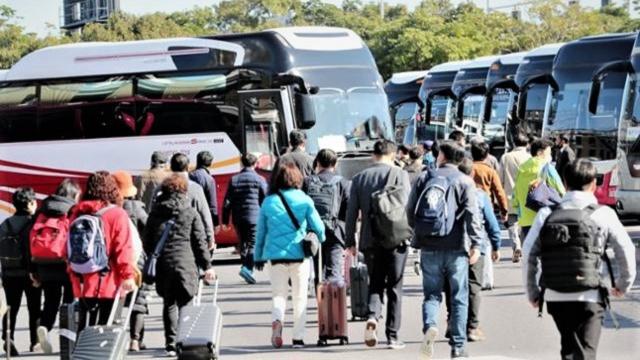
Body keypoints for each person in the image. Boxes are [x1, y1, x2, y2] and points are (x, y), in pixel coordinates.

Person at [522, 159, 636, 360]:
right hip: (590, 294)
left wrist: (533, 292)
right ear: (593, 184)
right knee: (586, 352)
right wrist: (622, 285)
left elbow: (529, 253)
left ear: (565, 184)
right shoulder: (604, 214)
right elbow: (625, 250)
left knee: (569, 347)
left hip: (555, 294)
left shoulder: (546, 214)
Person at [406, 140, 484, 360]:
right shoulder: (464, 181)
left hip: (429, 247)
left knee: (431, 294)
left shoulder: (425, 177)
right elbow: (472, 215)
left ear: (441, 155)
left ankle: (430, 325)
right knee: (459, 296)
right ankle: (458, 347)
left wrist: (420, 232)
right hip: (456, 247)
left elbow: (410, 211)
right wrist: (476, 244)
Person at [345, 140, 411, 350]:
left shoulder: (359, 178)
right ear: (392, 155)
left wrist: (350, 241)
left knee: (375, 283)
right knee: (394, 287)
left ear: (373, 155)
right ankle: (392, 336)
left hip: (369, 239)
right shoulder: (400, 175)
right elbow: (407, 207)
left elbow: (351, 213)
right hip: (396, 238)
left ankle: (373, 316)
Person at [254, 163, 325, 349]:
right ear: (297, 179)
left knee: (279, 295)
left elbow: (260, 232)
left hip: (275, 257)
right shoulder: (304, 200)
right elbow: (319, 227)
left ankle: (277, 320)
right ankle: (298, 339)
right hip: (299, 256)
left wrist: (258, 256)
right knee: (300, 297)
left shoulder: (269, 202)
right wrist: (321, 239)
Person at [144, 174, 216, 357]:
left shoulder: (154, 213)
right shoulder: (190, 212)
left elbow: (147, 242)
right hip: (186, 263)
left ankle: (170, 343)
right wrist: (207, 266)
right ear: (184, 191)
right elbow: (199, 242)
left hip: (164, 264)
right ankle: (185, 341)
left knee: (168, 304)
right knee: (186, 303)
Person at [67, 172, 137, 331]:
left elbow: (69, 246)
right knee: (106, 329)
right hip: (109, 280)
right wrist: (128, 275)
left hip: (82, 279)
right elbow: (123, 248)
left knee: (85, 327)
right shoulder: (117, 214)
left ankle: (81, 354)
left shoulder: (77, 212)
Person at [453, 158, 501, 342]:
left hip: (452, 244)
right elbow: (491, 223)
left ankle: (453, 323)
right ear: (472, 173)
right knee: (473, 286)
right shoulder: (480, 195)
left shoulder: (451, 191)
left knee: (454, 285)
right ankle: (472, 326)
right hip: (475, 245)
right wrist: (495, 245)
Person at [32, 179, 81, 354]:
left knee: (51, 301)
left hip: (44, 263)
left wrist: (34, 269)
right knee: (69, 302)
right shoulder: (73, 211)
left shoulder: (42, 210)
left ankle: (45, 326)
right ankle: (67, 338)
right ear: (74, 194)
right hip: (66, 263)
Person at [0, 187, 41, 355]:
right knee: (34, 307)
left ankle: (8, 337)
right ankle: (35, 342)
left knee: (12, 307)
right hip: (31, 273)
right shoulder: (34, 223)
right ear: (31, 203)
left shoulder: (5, 224)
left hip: (10, 272)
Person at [112, 171, 149, 353]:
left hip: (115, 259)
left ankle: (115, 337)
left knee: (117, 299)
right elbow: (148, 230)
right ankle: (136, 339)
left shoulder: (110, 209)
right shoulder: (136, 208)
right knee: (139, 300)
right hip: (136, 258)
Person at [303, 149, 351, 283]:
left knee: (318, 267)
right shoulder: (343, 183)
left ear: (317, 162)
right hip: (335, 231)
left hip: (312, 232)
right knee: (334, 269)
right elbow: (348, 210)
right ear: (335, 164)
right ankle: (333, 299)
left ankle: (321, 299)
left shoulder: (307, 182)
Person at [222, 153, 268, 284]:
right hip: (255, 217)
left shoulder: (234, 179)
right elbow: (265, 200)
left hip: (238, 217)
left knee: (242, 244)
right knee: (253, 243)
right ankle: (247, 268)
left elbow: (227, 202)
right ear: (255, 164)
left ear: (242, 164)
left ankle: (246, 268)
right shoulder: (260, 179)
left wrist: (225, 220)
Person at [513, 139, 565, 239]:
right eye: (549, 153)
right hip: (544, 219)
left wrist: (519, 213)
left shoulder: (522, 168)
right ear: (540, 152)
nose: (550, 156)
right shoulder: (547, 168)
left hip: (525, 221)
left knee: (529, 253)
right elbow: (561, 190)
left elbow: (515, 195)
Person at [167, 153, 215, 248]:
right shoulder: (196, 188)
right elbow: (205, 215)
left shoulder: (161, 188)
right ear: (187, 167)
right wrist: (210, 238)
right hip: (191, 239)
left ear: (171, 167)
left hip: (168, 240)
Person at [499, 131, 530, 262]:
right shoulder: (530, 158)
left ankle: (516, 245)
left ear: (514, 143)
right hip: (527, 195)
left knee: (512, 222)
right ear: (527, 143)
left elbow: (500, 178)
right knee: (524, 223)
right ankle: (523, 246)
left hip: (510, 195)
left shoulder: (506, 157)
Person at [470, 141, 509, 222]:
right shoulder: (490, 172)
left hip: (469, 206)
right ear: (487, 155)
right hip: (486, 207)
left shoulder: (466, 169)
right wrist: (504, 211)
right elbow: (499, 192)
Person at [189, 151, 220, 229]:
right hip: (202, 218)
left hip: (188, 217)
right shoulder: (209, 179)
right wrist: (216, 223)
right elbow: (212, 205)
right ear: (210, 163)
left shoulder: (189, 175)